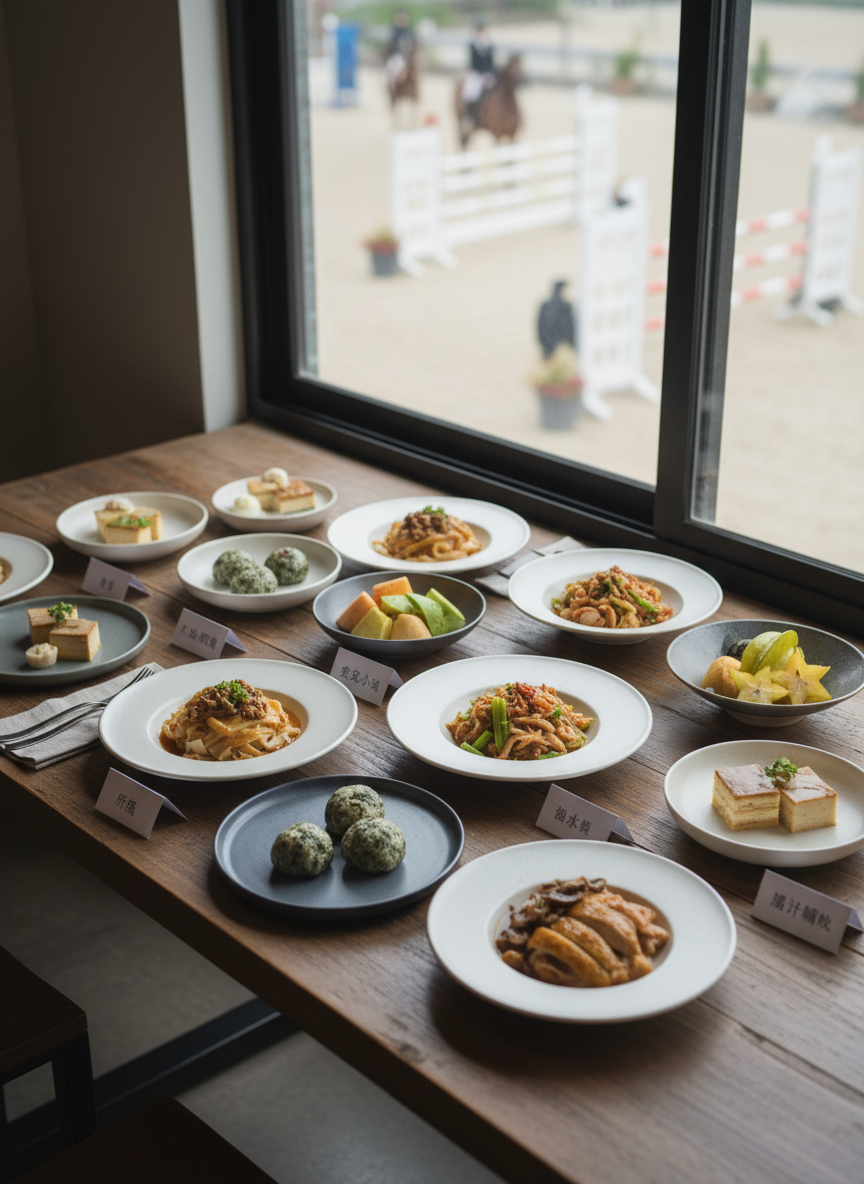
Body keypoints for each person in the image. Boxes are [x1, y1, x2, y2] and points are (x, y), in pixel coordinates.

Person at [462, 20, 496, 122]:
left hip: (488, 74)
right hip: (476, 74)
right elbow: (473, 63)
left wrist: (489, 73)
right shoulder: (473, 46)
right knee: (469, 92)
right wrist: (481, 74)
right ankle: (468, 117)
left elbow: (491, 63)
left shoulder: (489, 46)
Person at [537, 280, 578, 358]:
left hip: (547, 347)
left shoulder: (545, 306)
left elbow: (540, 327)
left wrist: (544, 344)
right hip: (561, 346)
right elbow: (569, 327)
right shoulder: (566, 306)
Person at [385, 9, 416, 89]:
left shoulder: (408, 31)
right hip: (394, 56)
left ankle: (398, 84)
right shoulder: (394, 31)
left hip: (404, 57)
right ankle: (392, 86)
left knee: (399, 66)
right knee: (390, 67)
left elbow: (413, 43)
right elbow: (390, 44)